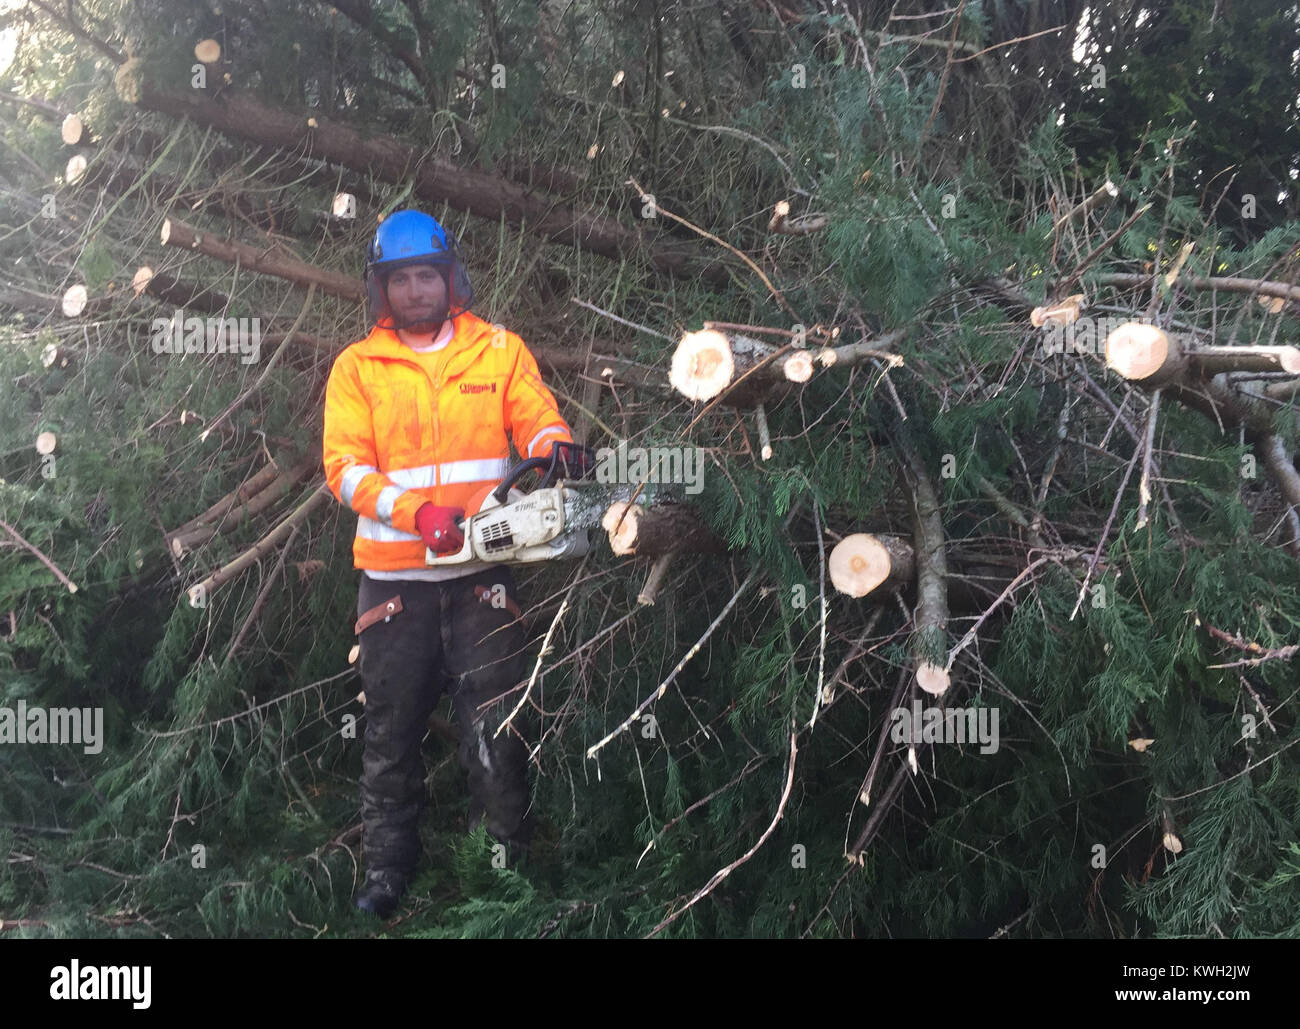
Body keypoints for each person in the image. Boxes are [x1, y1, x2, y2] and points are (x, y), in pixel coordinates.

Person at [322, 208, 593, 918]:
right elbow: (345, 469)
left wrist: (555, 444)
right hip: (395, 584)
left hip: (482, 577)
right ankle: (387, 869)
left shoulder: (497, 350)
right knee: (390, 729)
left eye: (426, 276)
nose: (415, 291)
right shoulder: (357, 368)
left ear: (450, 279)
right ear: (382, 288)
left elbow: (534, 414)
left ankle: (502, 863)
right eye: (401, 279)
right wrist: (417, 514)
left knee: (496, 724)